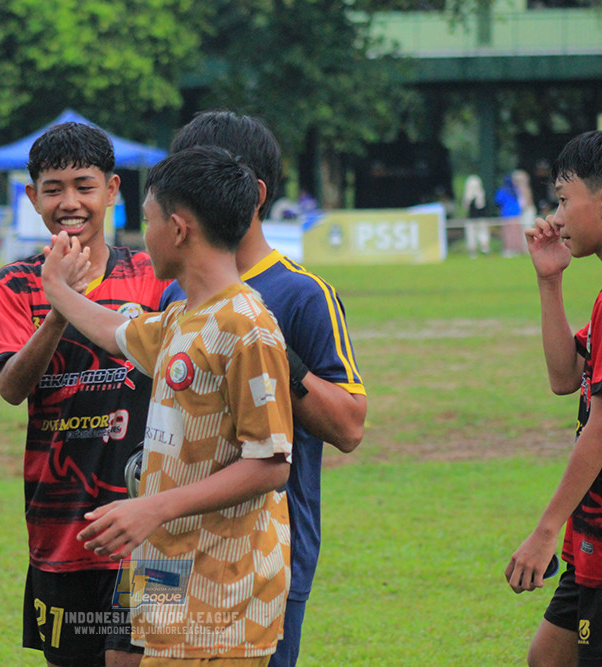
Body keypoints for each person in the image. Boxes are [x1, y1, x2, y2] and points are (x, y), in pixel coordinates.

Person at [43, 144, 294, 664]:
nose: (142, 234)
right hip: (165, 570)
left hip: (224, 594)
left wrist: (150, 507)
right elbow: (119, 332)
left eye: (148, 220)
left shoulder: (247, 326)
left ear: (179, 229)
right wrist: (58, 291)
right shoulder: (185, 315)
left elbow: (270, 464)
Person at [164, 110, 366, 666]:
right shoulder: (173, 296)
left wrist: (279, 357)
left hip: (265, 559)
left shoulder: (302, 295)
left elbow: (349, 426)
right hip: (174, 544)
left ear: (251, 193)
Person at [0, 121, 168, 667]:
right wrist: (59, 300)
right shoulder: (17, 283)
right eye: (53, 188)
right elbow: (11, 388)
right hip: (59, 525)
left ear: (112, 189)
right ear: (31, 197)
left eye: (84, 186)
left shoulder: (152, 276)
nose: (70, 202)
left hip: (144, 520)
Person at [504, 128, 602, 667]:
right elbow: (566, 377)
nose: (558, 217)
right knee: (548, 657)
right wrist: (550, 281)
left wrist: (544, 531)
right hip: (598, 540)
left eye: (565, 200)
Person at [462, 174, 491, 257]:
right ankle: (476, 250)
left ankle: (481, 249)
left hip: (477, 219)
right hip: (477, 219)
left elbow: (466, 207)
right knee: (478, 234)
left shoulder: (470, 196)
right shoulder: (481, 194)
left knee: (477, 234)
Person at [496, 173, 524, 257]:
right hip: (516, 214)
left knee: (507, 233)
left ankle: (509, 249)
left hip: (506, 214)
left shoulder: (503, 191)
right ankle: (517, 249)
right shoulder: (515, 190)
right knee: (516, 232)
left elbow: (498, 201)